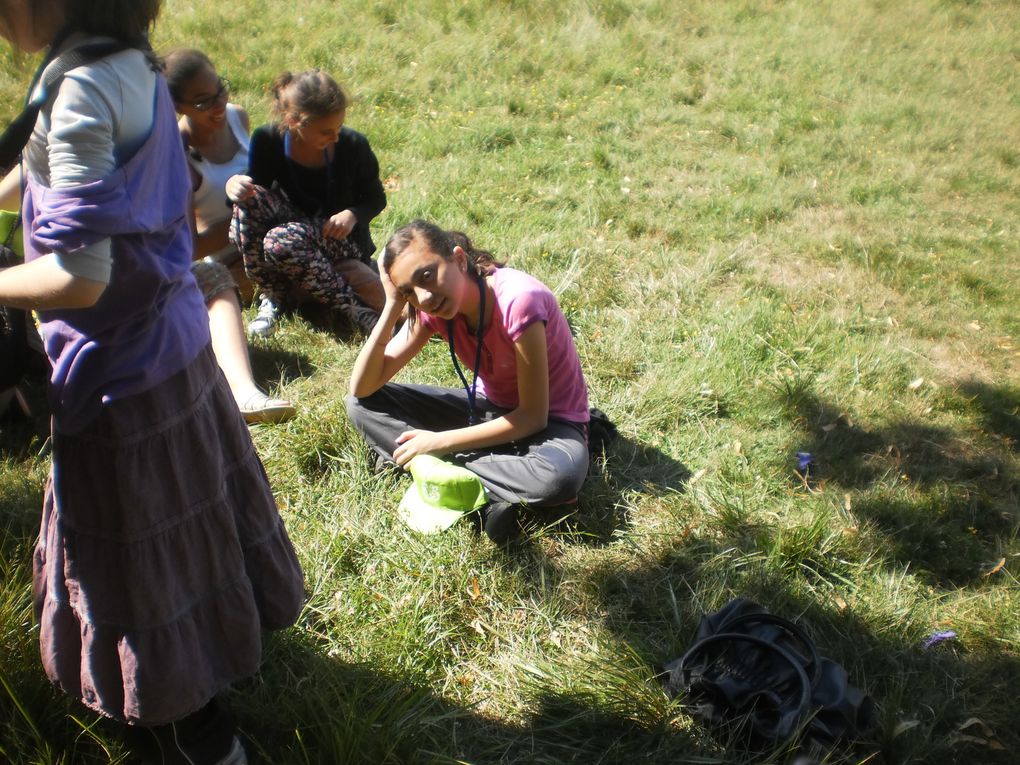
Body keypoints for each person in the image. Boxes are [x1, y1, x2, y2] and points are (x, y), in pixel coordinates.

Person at [0, 3, 305, 763]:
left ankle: (202, 739)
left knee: (142, 577)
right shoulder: (124, 60)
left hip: (120, 383)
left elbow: (78, 273)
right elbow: (50, 175)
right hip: (171, 350)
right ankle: (206, 679)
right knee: (185, 539)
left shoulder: (82, 88)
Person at [347, 221, 591, 543]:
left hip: (553, 426)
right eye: (409, 291)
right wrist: (393, 305)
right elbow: (362, 388)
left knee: (558, 479)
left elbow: (533, 417)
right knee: (360, 405)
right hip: (487, 409)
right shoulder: (429, 309)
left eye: (426, 276)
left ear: (459, 260)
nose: (424, 296)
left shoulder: (520, 300)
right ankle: (489, 489)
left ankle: (435, 470)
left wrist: (438, 442)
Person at [164, 47, 294, 424]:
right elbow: (186, 247)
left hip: (266, 239)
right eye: (203, 101)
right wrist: (241, 220)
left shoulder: (238, 117)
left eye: (219, 91)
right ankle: (244, 391)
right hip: (225, 257)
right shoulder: (177, 152)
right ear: (178, 106)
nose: (218, 105)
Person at [226, 68, 386, 338]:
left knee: (282, 241)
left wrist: (352, 214)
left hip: (338, 236)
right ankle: (273, 295)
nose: (335, 136)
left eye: (338, 127)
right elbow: (257, 188)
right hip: (291, 227)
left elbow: (375, 198)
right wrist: (234, 185)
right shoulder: (268, 139)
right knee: (249, 203)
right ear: (293, 121)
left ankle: (356, 309)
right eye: (326, 131)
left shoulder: (352, 144)